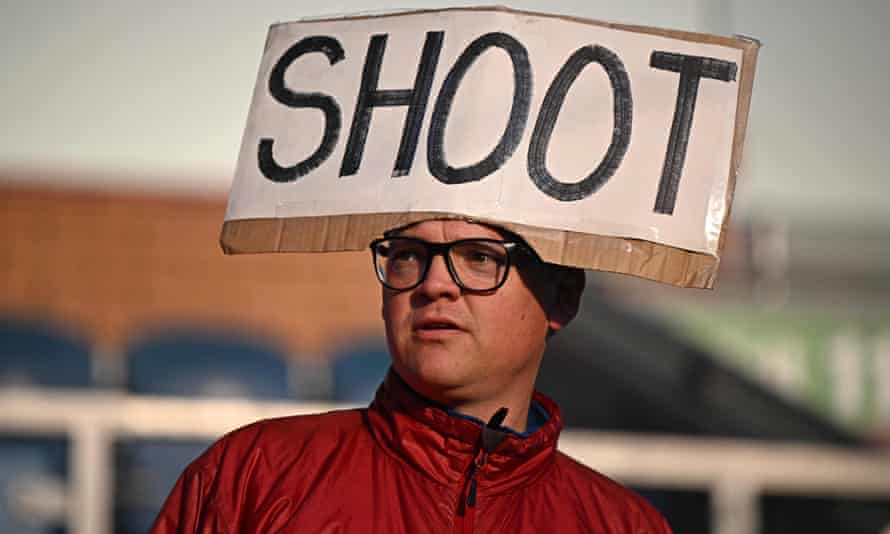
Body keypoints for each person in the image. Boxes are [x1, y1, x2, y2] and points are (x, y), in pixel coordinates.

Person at [151, 218, 672, 533]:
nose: (435, 284)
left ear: (562, 296)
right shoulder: (251, 477)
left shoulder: (625, 527)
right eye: (408, 256)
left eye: (478, 258)